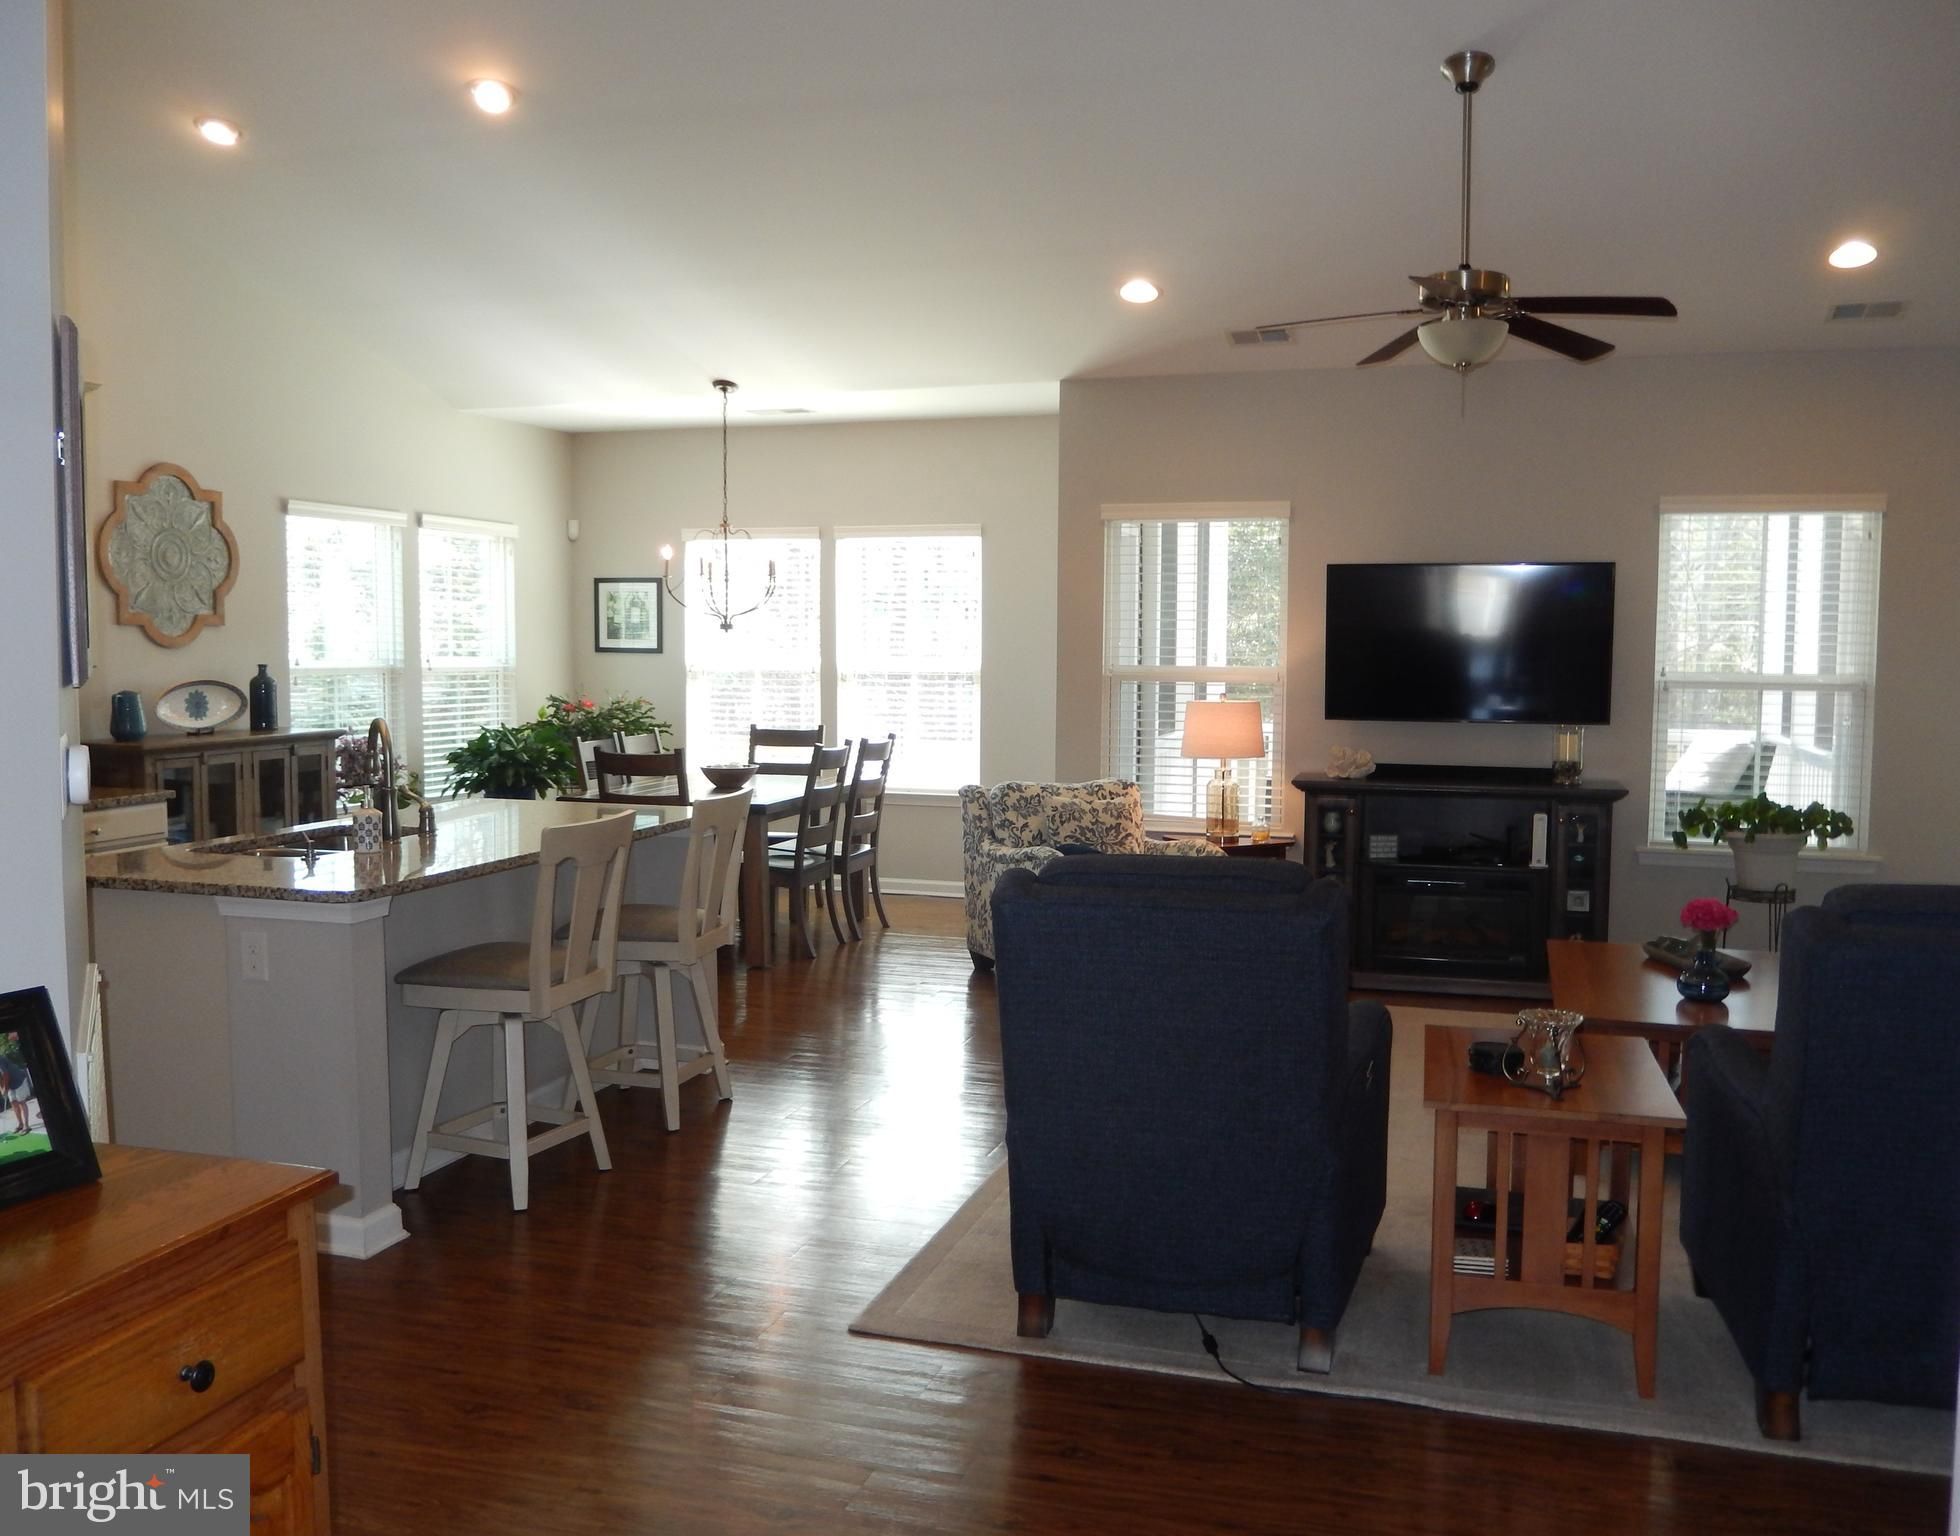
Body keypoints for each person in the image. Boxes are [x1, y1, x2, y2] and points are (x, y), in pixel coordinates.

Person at [0, 1053, 32, 1137]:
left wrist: (5, 1088)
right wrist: (2, 1090)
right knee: (13, 1103)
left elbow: (6, 1075)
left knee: (21, 1102)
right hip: (10, 1083)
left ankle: (26, 1126)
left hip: (18, 1080)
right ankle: (20, 1124)